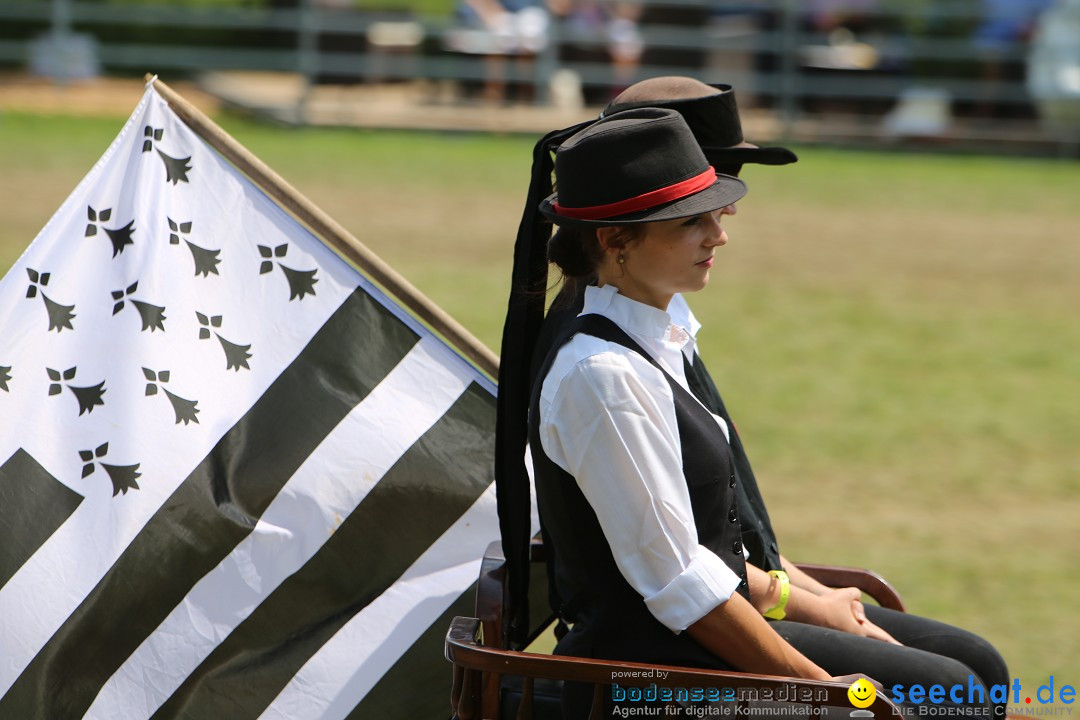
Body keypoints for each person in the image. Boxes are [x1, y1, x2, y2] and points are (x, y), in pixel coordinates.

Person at [494, 80, 1009, 718]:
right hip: (648, 674)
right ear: (615, 243)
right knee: (953, 692)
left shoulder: (645, 336)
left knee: (972, 674)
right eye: (693, 221)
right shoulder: (604, 377)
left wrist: (805, 598)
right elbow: (683, 587)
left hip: (687, 642)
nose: (721, 234)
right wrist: (830, 693)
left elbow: (711, 540)